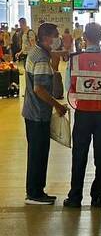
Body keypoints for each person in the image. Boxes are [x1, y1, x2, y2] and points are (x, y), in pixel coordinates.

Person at [64, 22, 101, 208]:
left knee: (79, 156)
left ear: (84, 38)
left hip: (82, 114)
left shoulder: (75, 59)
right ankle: (97, 196)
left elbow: (68, 88)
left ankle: (75, 198)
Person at [22, 23, 68, 205]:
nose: (58, 38)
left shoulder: (36, 52)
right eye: (56, 35)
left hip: (31, 112)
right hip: (38, 114)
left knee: (36, 153)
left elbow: (48, 56)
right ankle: (34, 194)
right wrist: (57, 105)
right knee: (38, 154)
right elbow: (39, 88)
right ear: (47, 38)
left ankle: (36, 190)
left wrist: (58, 54)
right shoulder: (41, 58)